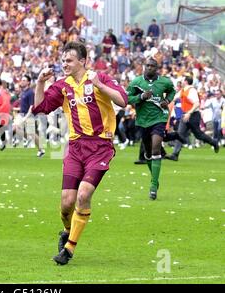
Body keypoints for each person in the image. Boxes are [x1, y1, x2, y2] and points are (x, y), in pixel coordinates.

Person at [32, 41, 127, 265]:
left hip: (100, 147)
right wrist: (39, 83)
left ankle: (69, 249)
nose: (65, 64)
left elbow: (123, 100)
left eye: (69, 60)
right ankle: (67, 230)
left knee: (84, 195)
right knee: (67, 203)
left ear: (83, 61)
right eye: (63, 60)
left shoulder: (100, 78)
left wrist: (100, 87)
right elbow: (40, 108)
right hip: (75, 148)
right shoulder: (62, 86)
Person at [127, 58, 176, 200]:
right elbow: (127, 98)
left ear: (157, 68)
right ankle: (155, 178)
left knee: (156, 148)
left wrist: (166, 101)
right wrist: (141, 96)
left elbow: (172, 92)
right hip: (142, 121)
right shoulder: (136, 82)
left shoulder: (164, 81)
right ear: (144, 66)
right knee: (148, 153)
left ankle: (153, 186)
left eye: (152, 66)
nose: (149, 68)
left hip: (159, 118)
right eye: (147, 65)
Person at [165, 75, 220, 161]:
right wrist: (165, 101)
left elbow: (197, 104)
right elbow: (174, 98)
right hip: (185, 115)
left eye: (183, 81)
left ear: (186, 81)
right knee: (179, 134)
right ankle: (175, 154)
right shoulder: (183, 90)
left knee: (198, 135)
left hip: (193, 115)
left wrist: (189, 113)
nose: (182, 82)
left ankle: (214, 143)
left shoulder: (192, 90)